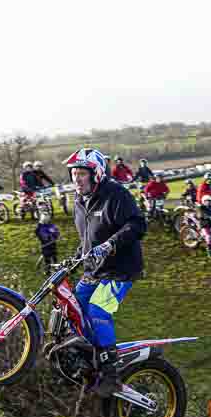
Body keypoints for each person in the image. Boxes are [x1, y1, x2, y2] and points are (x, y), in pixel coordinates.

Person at [66, 147, 147, 397]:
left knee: (97, 311)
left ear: (96, 174)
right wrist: (74, 257)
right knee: (72, 309)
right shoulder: (80, 202)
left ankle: (110, 373)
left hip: (121, 270)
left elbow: (138, 224)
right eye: (73, 174)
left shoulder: (116, 195)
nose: (76, 179)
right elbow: (89, 239)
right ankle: (88, 360)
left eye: (81, 174)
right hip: (94, 271)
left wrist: (111, 244)